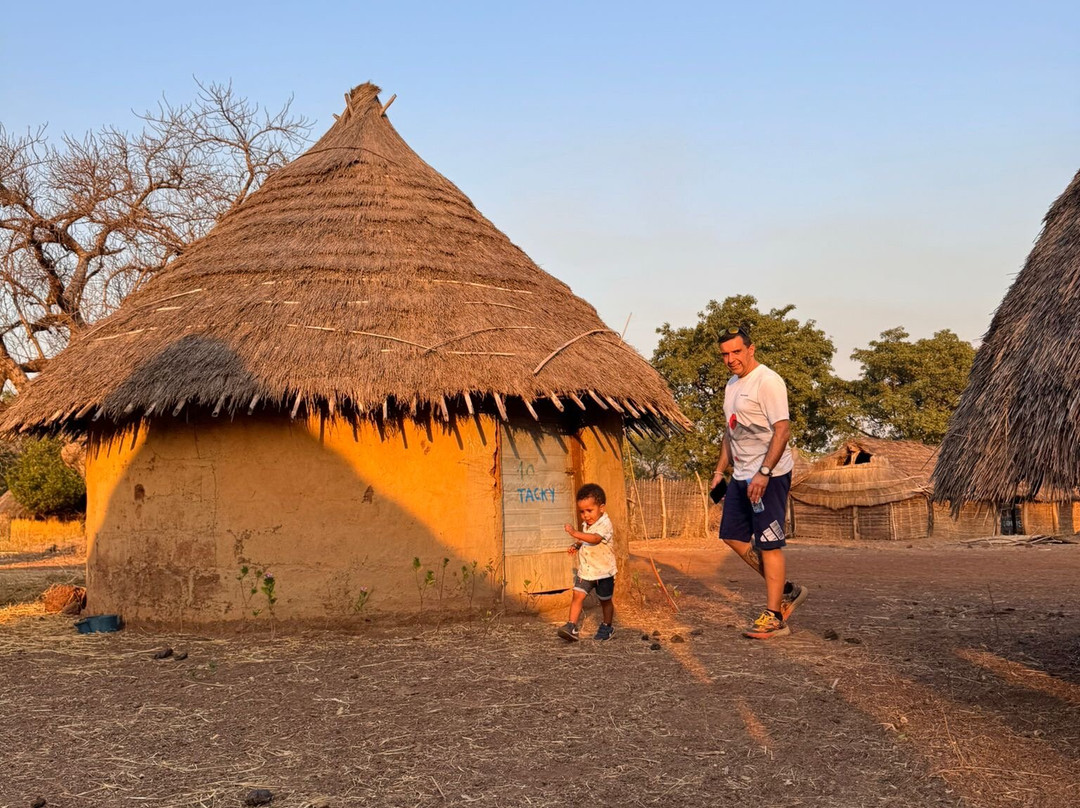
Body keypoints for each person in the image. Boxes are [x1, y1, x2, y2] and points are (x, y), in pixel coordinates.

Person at [710, 326, 808, 639]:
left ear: (751, 349)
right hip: (740, 474)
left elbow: (782, 430)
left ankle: (775, 617)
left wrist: (764, 472)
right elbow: (730, 431)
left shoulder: (768, 381)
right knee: (732, 536)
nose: (730, 359)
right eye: (725, 354)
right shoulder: (731, 385)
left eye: (736, 352)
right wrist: (719, 471)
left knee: (769, 544)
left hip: (770, 475)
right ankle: (787, 589)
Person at [557, 483, 616, 642]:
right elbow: (586, 539)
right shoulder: (587, 524)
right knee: (577, 595)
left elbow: (595, 538)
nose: (585, 515)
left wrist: (575, 533)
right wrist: (577, 545)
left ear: (601, 508)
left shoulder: (605, 524)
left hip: (604, 572)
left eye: (589, 510)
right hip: (587, 571)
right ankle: (571, 626)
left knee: (605, 601)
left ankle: (607, 626)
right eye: (582, 512)